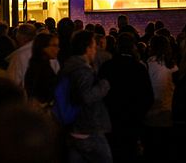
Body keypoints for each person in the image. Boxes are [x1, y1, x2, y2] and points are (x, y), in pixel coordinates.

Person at [98, 33, 153, 163]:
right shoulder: (139, 68)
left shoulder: (107, 66)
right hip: (132, 119)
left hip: (111, 117)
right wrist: (139, 114)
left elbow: (100, 92)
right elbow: (148, 96)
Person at [59, 30, 112, 163]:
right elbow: (86, 96)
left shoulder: (69, 66)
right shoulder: (83, 70)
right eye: (94, 47)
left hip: (73, 126)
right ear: (87, 48)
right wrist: (104, 85)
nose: (95, 51)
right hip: (88, 127)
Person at [142, 35, 178, 162]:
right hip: (167, 113)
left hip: (149, 115)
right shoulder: (172, 66)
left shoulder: (146, 65)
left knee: (151, 151)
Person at [24, 33, 60, 109]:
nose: (58, 49)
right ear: (43, 47)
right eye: (54, 45)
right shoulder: (39, 68)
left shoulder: (42, 65)